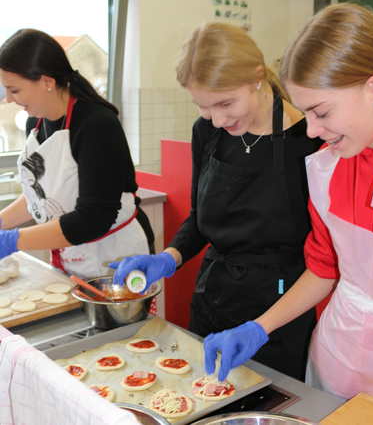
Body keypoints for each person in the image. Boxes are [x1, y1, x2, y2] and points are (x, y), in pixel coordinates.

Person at [202, 3, 373, 410]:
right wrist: (259, 326)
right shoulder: (330, 162)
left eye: (321, 112)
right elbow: (324, 268)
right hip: (335, 363)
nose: (311, 130)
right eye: (305, 112)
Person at [109, 22, 323, 380]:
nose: (218, 119)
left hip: (279, 311)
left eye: (226, 103)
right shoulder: (206, 132)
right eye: (204, 107)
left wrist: (260, 327)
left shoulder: (310, 140)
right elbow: (200, 218)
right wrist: (169, 257)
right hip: (213, 298)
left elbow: (325, 257)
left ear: (257, 76)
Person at [0, 29, 154, 278]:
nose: (8, 99)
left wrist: (13, 240)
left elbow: (93, 218)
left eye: (14, 90)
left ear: (47, 81)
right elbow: (39, 196)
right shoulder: (35, 124)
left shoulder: (96, 125)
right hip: (73, 255)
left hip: (115, 256)